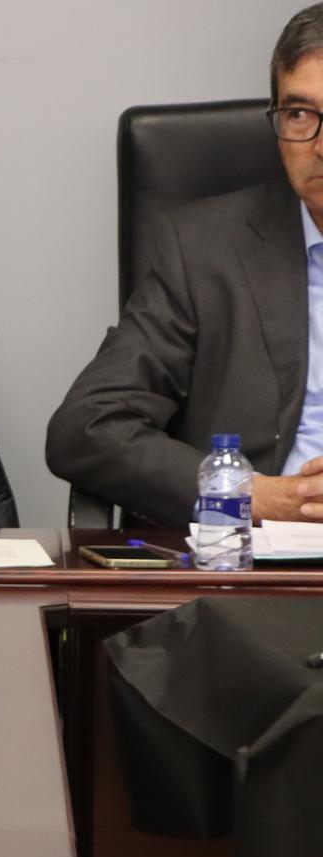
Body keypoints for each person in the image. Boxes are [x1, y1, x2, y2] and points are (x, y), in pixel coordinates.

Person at [47, 4, 323, 526]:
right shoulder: (203, 248)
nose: (320, 146)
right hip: (252, 553)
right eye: (299, 114)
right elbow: (86, 428)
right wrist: (247, 495)